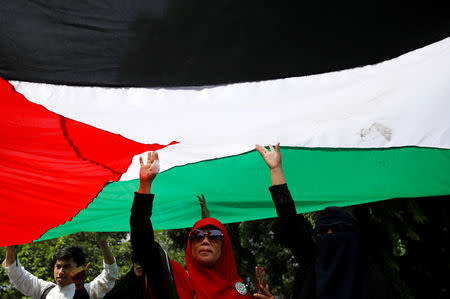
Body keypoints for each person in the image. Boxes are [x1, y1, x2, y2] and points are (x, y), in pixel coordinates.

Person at [130, 151, 274, 298]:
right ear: (190, 245)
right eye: (197, 235)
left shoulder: (239, 290)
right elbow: (143, 243)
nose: (205, 240)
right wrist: (145, 186)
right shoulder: (176, 277)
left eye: (214, 236)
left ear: (224, 246)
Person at [256, 143, 368, 299]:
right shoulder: (312, 264)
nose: (330, 235)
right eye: (323, 231)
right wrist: (276, 170)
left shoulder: (371, 278)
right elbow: (290, 221)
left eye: (338, 229)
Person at [2, 232, 118, 299]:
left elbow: (110, 275)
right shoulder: (45, 290)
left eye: (66, 267)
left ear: (80, 269)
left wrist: (103, 245)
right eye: (58, 267)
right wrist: (10, 247)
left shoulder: (90, 290)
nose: (61, 271)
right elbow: (17, 276)